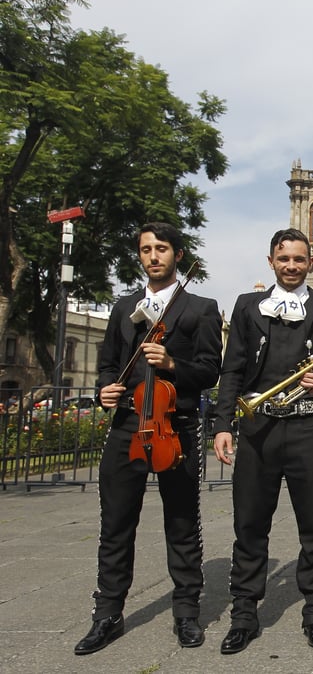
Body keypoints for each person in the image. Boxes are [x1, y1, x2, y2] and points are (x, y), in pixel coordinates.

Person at [74, 222, 222, 655]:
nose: (153, 256)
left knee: (181, 522)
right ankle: (107, 614)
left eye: (161, 248)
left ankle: (187, 612)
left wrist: (174, 363)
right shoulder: (125, 308)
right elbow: (107, 364)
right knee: (116, 524)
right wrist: (105, 390)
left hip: (175, 429)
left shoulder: (200, 307)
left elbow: (211, 369)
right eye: (145, 250)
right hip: (125, 427)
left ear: (177, 253)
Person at [211, 228, 313, 654]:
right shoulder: (247, 305)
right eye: (284, 258)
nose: (291, 265)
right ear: (271, 261)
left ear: (310, 263)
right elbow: (232, 369)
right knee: (249, 524)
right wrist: (224, 424)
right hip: (258, 429)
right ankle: (244, 613)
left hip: (309, 427)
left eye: (299, 259)